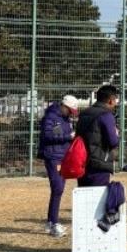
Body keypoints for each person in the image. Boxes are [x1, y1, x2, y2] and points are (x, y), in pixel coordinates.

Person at [38, 94, 78, 237]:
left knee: (58, 189)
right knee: (58, 188)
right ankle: (53, 223)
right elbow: (47, 136)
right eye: (70, 110)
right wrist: (68, 137)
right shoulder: (51, 117)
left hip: (62, 157)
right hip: (53, 157)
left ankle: (51, 222)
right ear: (64, 106)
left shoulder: (64, 119)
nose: (71, 114)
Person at [77, 85, 120, 187]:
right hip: (99, 162)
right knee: (97, 197)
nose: (115, 103)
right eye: (115, 100)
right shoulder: (106, 115)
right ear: (111, 100)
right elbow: (113, 141)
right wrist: (117, 134)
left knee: (84, 196)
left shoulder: (84, 113)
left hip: (82, 160)